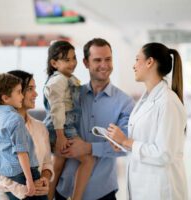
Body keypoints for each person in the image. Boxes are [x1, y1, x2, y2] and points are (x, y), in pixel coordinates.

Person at [55, 38, 134, 200]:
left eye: (108, 59)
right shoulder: (71, 95)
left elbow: (125, 146)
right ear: (85, 63)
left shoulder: (125, 103)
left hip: (103, 192)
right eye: (97, 60)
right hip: (65, 191)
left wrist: (89, 148)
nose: (104, 65)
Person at [107, 42, 188, 199]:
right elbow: (144, 140)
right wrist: (122, 145)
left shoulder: (168, 102)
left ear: (150, 62)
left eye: (137, 59)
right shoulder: (147, 98)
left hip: (161, 190)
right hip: (144, 186)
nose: (134, 65)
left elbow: (164, 154)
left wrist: (126, 142)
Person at [0, 71, 53, 200]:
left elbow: (47, 162)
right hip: (0, 194)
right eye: (30, 89)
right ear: (7, 96)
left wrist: (44, 180)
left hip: (33, 190)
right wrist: (25, 189)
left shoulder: (40, 127)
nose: (36, 94)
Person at [43, 40, 95, 200]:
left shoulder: (68, 78)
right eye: (67, 60)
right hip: (62, 129)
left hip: (63, 128)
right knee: (88, 160)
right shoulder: (58, 80)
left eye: (74, 58)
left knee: (57, 166)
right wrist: (60, 137)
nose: (72, 63)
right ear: (54, 63)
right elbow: (57, 109)